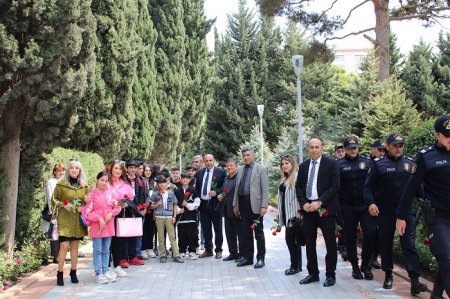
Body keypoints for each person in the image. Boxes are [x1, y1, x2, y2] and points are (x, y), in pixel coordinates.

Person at [364, 133, 427, 292]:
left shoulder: (410, 164)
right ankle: (388, 275)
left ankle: (414, 281)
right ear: (388, 147)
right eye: (395, 146)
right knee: (386, 244)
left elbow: (419, 190)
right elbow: (368, 187)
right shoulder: (379, 164)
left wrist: (427, 203)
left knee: (409, 245)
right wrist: (371, 203)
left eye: (401, 145)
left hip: (406, 213)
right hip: (385, 212)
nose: (398, 148)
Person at [396, 115, 450, 297]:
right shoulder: (426, 157)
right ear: (437, 135)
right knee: (447, 257)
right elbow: (410, 188)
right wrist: (401, 216)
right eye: (447, 135)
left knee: (447, 260)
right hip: (439, 217)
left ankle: (436, 294)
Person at [296, 138, 340, 287]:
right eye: (311, 147)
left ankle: (330, 275)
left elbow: (335, 187)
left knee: (330, 243)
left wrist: (319, 202)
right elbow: (299, 187)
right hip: (308, 210)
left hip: (325, 208)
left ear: (322, 148)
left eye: (317, 147)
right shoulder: (303, 166)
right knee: (309, 243)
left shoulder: (331, 164)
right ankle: (313, 273)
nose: (314, 150)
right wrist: (304, 204)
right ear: (308, 149)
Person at [337, 136, 375, 280]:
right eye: (350, 148)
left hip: (364, 205)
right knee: (350, 237)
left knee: (370, 234)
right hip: (347, 206)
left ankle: (365, 265)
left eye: (355, 147)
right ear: (345, 149)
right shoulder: (338, 165)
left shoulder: (367, 162)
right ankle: (355, 267)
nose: (353, 150)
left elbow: (374, 184)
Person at [52, 160, 90, 286]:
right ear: (68, 170)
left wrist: (85, 203)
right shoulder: (61, 184)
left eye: (77, 168)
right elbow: (54, 200)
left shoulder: (84, 186)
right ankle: (59, 273)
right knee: (63, 246)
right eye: (72, 168)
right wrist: (63, 204)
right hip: (64, 218)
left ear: (80, 171)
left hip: (77, 219)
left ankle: (73, 272)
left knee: (75, 246)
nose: (74, 170)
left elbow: (88, 202)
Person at [233, 147, 269, 269]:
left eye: (248, 155)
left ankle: (260, 259)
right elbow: (237, 189)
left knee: (258, 233)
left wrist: (264, 206)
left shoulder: (261, 169)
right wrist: (235, 205)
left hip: (256, 206)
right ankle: (248, 258)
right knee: (245, 233)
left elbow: (265, 189)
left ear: (253, 155)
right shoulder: (240, 169)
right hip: (243, 204)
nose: (246, 157)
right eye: (244, 155)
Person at [84, 171, 121, 284]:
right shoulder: (91, 195)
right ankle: (98, 273)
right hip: (97, 227)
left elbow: (118, 207)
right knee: (98, 250)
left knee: (106, 250)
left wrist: (111, 213)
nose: (104, 183)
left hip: (108, 225)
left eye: (106, 181)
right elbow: (87, 212)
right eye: (102, 180)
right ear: (97, 180)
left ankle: (106, 271)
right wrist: (99, 219)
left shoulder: (110, 193)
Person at [195, 154, 226, 259]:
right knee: (206, 228)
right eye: (206, 161)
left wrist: (216, 192)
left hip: (215, 204)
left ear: (214, 160)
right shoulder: (200, 173)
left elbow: (225, 187)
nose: (208, 162)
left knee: (218, 229)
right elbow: (198, 188)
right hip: (203, 205)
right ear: (203, 162)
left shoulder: (221, 172)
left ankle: (218, 250)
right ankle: (208, 250)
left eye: (210, 160)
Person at [108, 161, 134, 277]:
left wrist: (125, 204)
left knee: (119, 241)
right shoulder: (106, 182)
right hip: (107, 215)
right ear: (111, 170)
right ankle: (106, 267)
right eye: (115, 168)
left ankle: (117, 265)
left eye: (120, 169)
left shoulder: (126, 185)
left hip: (120, 215)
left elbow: (131, 200)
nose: (117, 171)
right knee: (107, 241)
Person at [277, 154, 303, 275]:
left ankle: (295, 266)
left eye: (287, 163)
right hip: (286, 214)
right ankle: (298, 265)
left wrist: (298, 211)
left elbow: (300, 195)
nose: (284, 166)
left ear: (292, 164)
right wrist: (279, 212)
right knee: (294, 241)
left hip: (294, 215)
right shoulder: (284, 178)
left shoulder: (296, 177)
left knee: (291, 241)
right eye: (283, 164)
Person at [150, 175, 184, 263]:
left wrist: (174, 216)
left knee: (172, 236)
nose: (162, 185)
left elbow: (175, 204)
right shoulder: (155, 194)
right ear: (157, 185)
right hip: (159, 217)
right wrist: (157, 204)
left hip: (169, 217)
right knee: (160, 237)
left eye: (163, 183)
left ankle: (176, 255)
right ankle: (163, 255)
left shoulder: (171, 193)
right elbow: (151, 206)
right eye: (159, 183)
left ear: (167, 184)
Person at [124, 159, 147, 264]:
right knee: (124, 234)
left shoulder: (140, 180)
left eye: (135, 167)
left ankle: (133, 257)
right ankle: (123, 257)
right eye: (130, 167)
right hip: (126, 209)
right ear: (126, 168)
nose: (133, 170)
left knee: (135, 234)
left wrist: (143, 208)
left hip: (137, 211)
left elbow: (142, 195)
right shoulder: (123, 180)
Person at [174, 172, 200, 259]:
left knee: (191, 235)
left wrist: (188, 205)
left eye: (187, 178)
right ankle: (182, 251)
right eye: (183, 178)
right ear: (181, 179)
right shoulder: (177, 191)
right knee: (181, 235)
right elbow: (174, 203)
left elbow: (197, 203)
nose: (185, 180)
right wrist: (178, 210)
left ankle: (192, 251)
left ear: (189, 180)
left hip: (191, 217)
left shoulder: (193, 190)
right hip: (181, 218)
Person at [369, 139, 385, 270]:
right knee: (371, 232)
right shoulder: (367, 163)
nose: (382, 152)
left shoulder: (385, 163)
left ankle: (375, 257)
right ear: (373, 149)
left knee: (380, 233)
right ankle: (368, 258)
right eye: (380, 150)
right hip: (369, 204)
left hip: (382, 204)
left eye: (384, 150)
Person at [45, 163, 65, 264]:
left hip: (65, 212)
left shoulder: (65, 182)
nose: (61, 173)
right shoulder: (51, 182)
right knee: (55, 234)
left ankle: (61, 255)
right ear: (55, 172)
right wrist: (53, 211)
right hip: (56, 212)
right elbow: (50, 198)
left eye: (62, 171)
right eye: (59, 171)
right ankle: (56, 256)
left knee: (63, 235)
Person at [221, 158, 241, 262]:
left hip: (235, 209)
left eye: (231, 165)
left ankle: (241, 254)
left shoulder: (239, 178)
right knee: (229, 233)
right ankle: (233, 253)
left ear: (236, 166)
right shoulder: (227, 178)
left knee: (240, 233)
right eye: (227, 166)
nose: (229, 167)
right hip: (226, 209)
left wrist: (237, 207)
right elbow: (225, 191)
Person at [142, 163, 157, 258]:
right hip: (143, 209)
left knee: (151, 230)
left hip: (152, 210)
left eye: (149, 170)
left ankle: (150, 249)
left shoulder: (154, 183)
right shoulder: (140, 181)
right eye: (146, 170)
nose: (148, 172)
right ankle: (143, 249)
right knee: (143, 230)